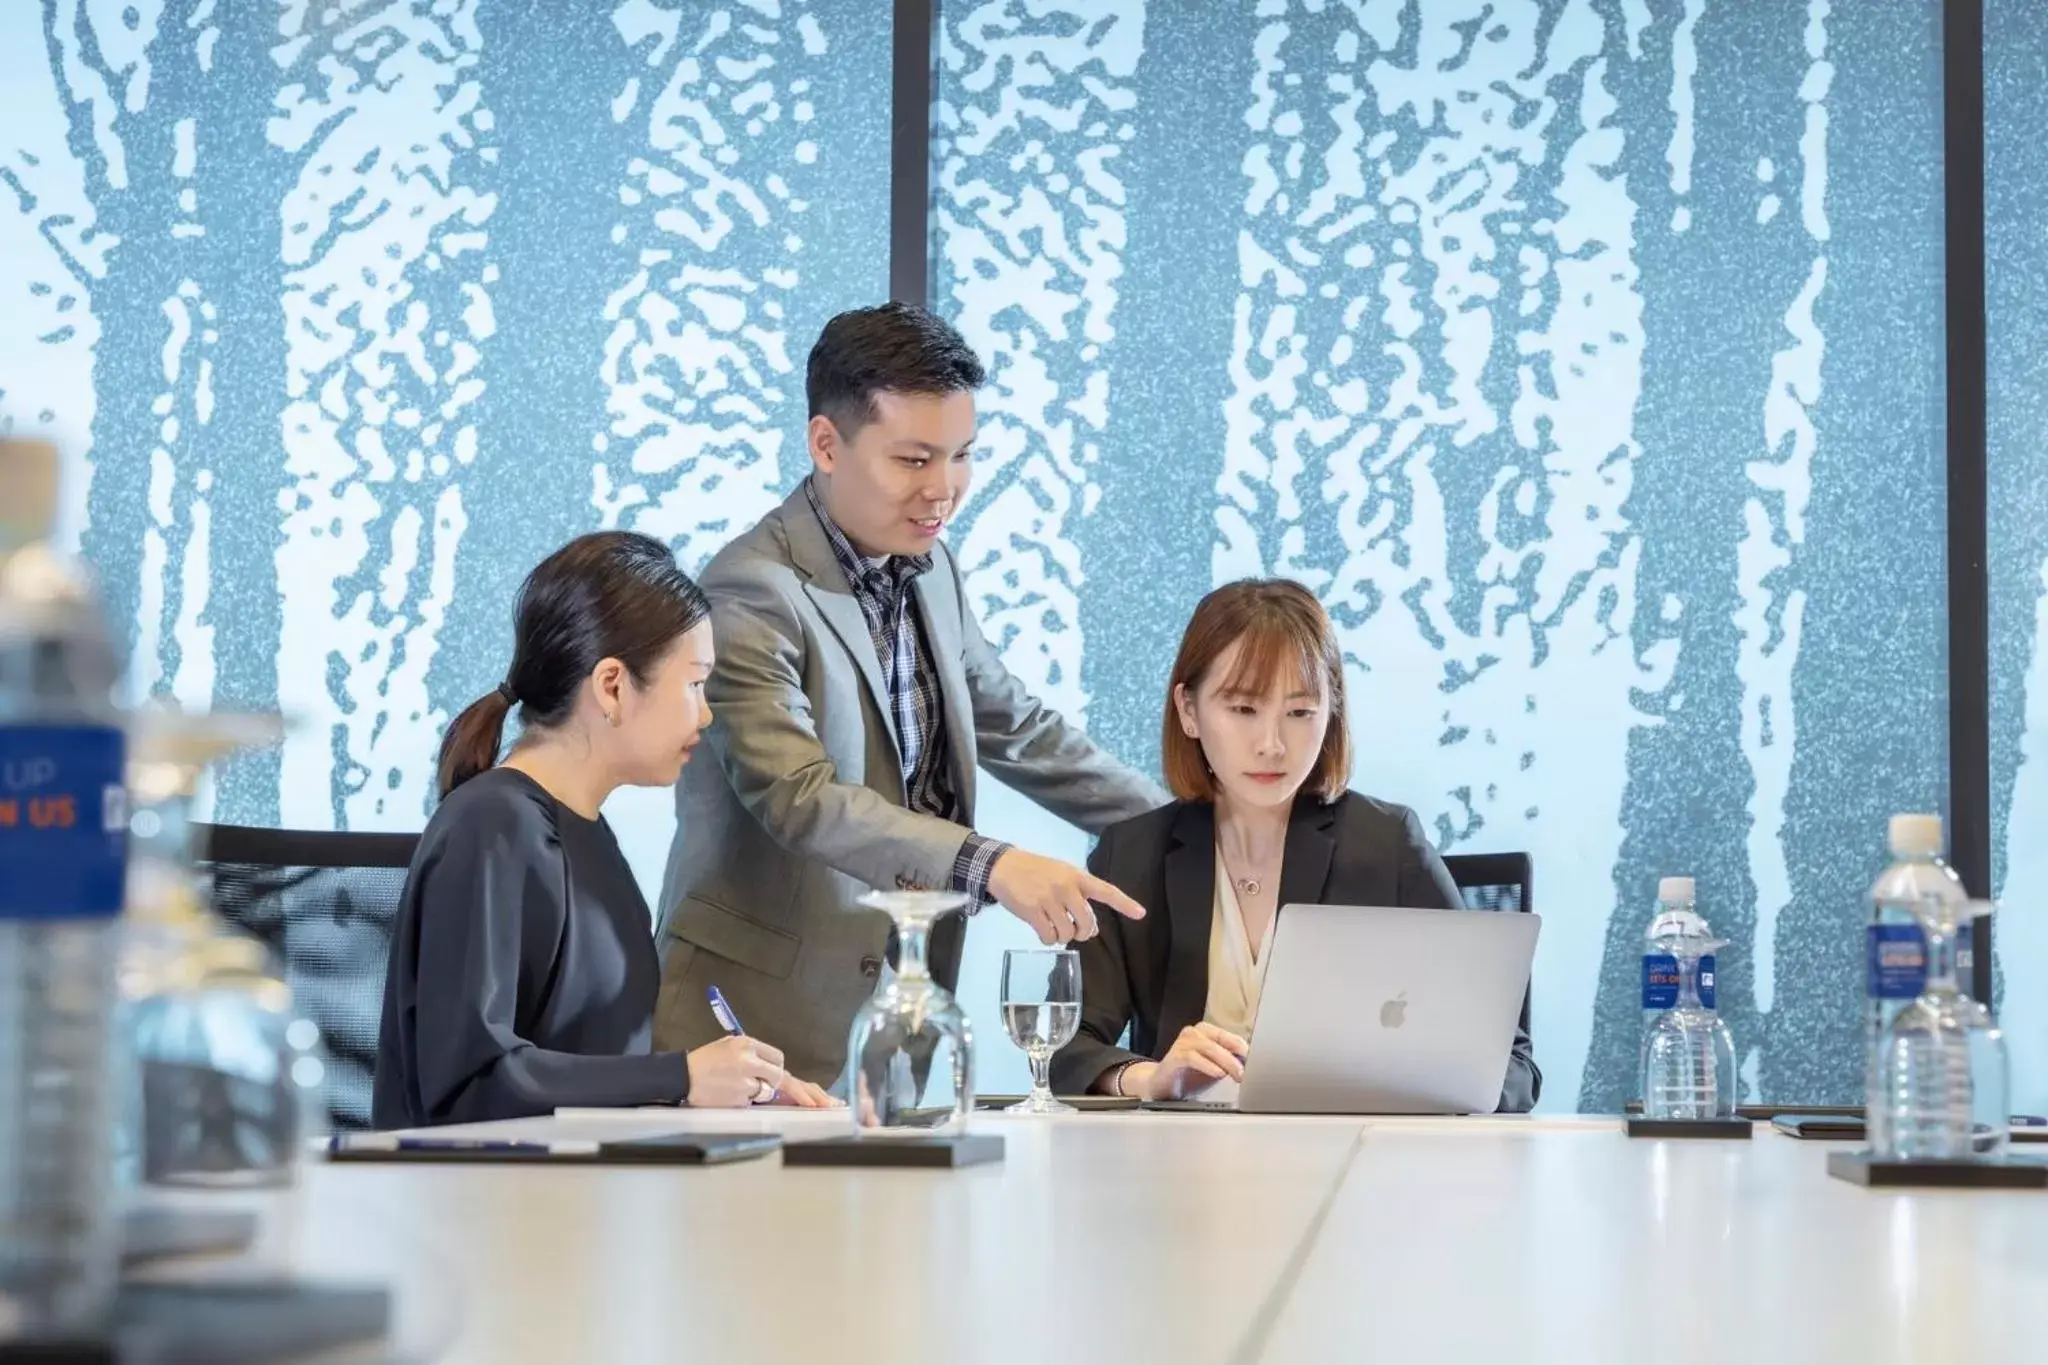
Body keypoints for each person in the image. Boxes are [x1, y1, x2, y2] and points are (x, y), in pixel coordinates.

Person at [653, 303, 1169, 1086]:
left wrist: (1188, 825)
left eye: (962, 455)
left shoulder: (932, 569)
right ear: (826, 443)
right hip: (750, 1024)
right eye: (914, 459)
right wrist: (991, 865)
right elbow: (801, 797)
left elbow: (1019, 727)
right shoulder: (751, 589)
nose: (945, 490)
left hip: (892, 1021)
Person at [372, 532, 834, 1128]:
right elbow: (470, 1084)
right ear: (612, 685)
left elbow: (593, 1070)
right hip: (483, 1208)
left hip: (580, 1191)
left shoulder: (584, 831)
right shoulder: (493, 828)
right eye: (695, 683)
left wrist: (726, 1088)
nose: (707, 712)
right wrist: (682, 1078)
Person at [1048, 579, 1541, 1113]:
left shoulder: (1387, 844)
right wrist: (1149, 1078)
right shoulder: (1133, 854)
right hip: (1183, 1168)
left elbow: (1511, 1064)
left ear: (1331, 713)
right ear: (1188, 710)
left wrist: (1392, 1087)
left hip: (1354, 1162)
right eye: (1242, 709)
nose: (1272, 744)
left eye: (1300, 712)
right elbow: (1065, 1047)